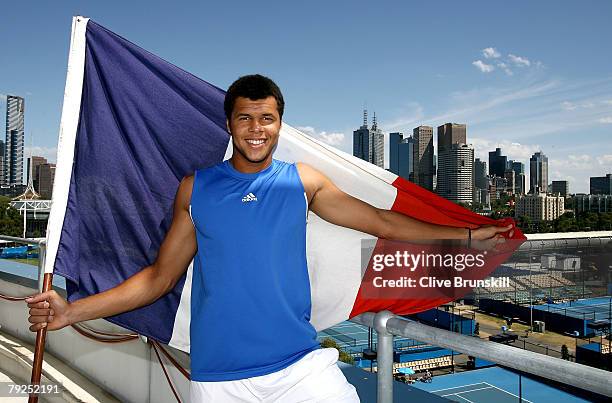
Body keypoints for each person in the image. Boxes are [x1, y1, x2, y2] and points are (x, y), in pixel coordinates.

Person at [26, 74, 513, 402]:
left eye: (267, 119)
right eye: (245, 118)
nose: (256, 130)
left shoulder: (303, 181)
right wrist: (71, 312)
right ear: (230, 124)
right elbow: (158, 278)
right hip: (219, 380)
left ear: (279, 123)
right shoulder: (197, 189)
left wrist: (466, 237)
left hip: (301, 366)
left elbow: (381, 223)